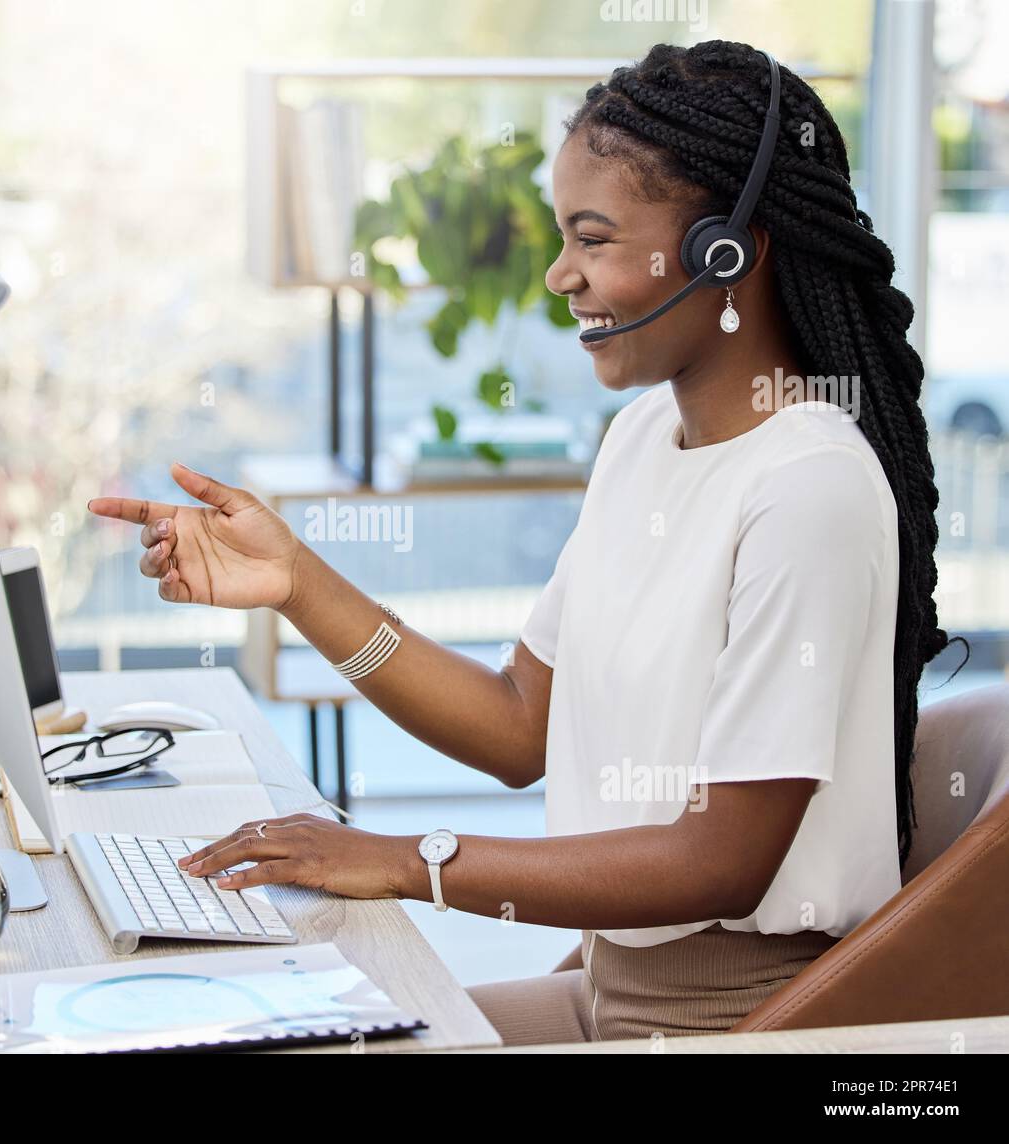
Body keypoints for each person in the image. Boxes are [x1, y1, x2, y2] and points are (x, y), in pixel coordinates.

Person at [87, 40, 960, 1044]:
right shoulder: (641, 437)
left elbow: (723, 859)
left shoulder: (806, 489)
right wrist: (297, 584)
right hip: (609, 991)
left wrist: (407, 857)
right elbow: (516, 727)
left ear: (728, 252)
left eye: (592, 239)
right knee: (258, 1035)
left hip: (732, 1024)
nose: (559, 275)